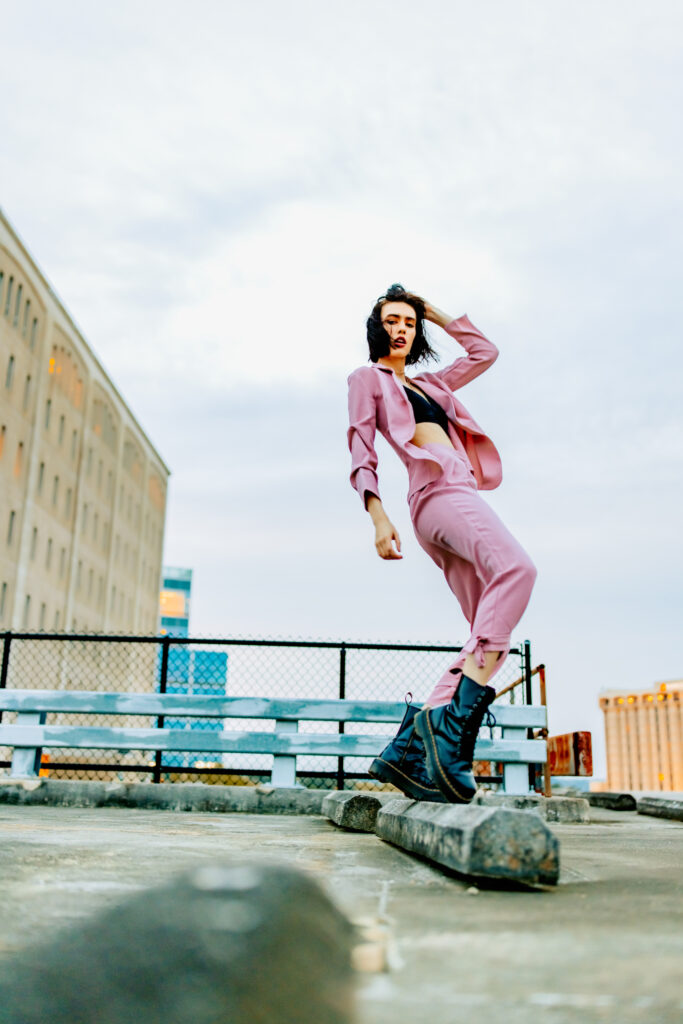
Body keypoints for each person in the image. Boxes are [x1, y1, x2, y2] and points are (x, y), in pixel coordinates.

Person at [347, 284, 537, 803]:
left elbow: (484, 352)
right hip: (436, 495)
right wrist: (377, 516)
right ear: (376, 328)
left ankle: (409, 748)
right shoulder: (368, 379)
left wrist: (431, 309)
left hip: (456, 494)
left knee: (489, 638)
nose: (401, 329)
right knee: (518, 571)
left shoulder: (434, 384)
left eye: (409, 321)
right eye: (391, 321)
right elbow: (361, 447)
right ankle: (451, 734)